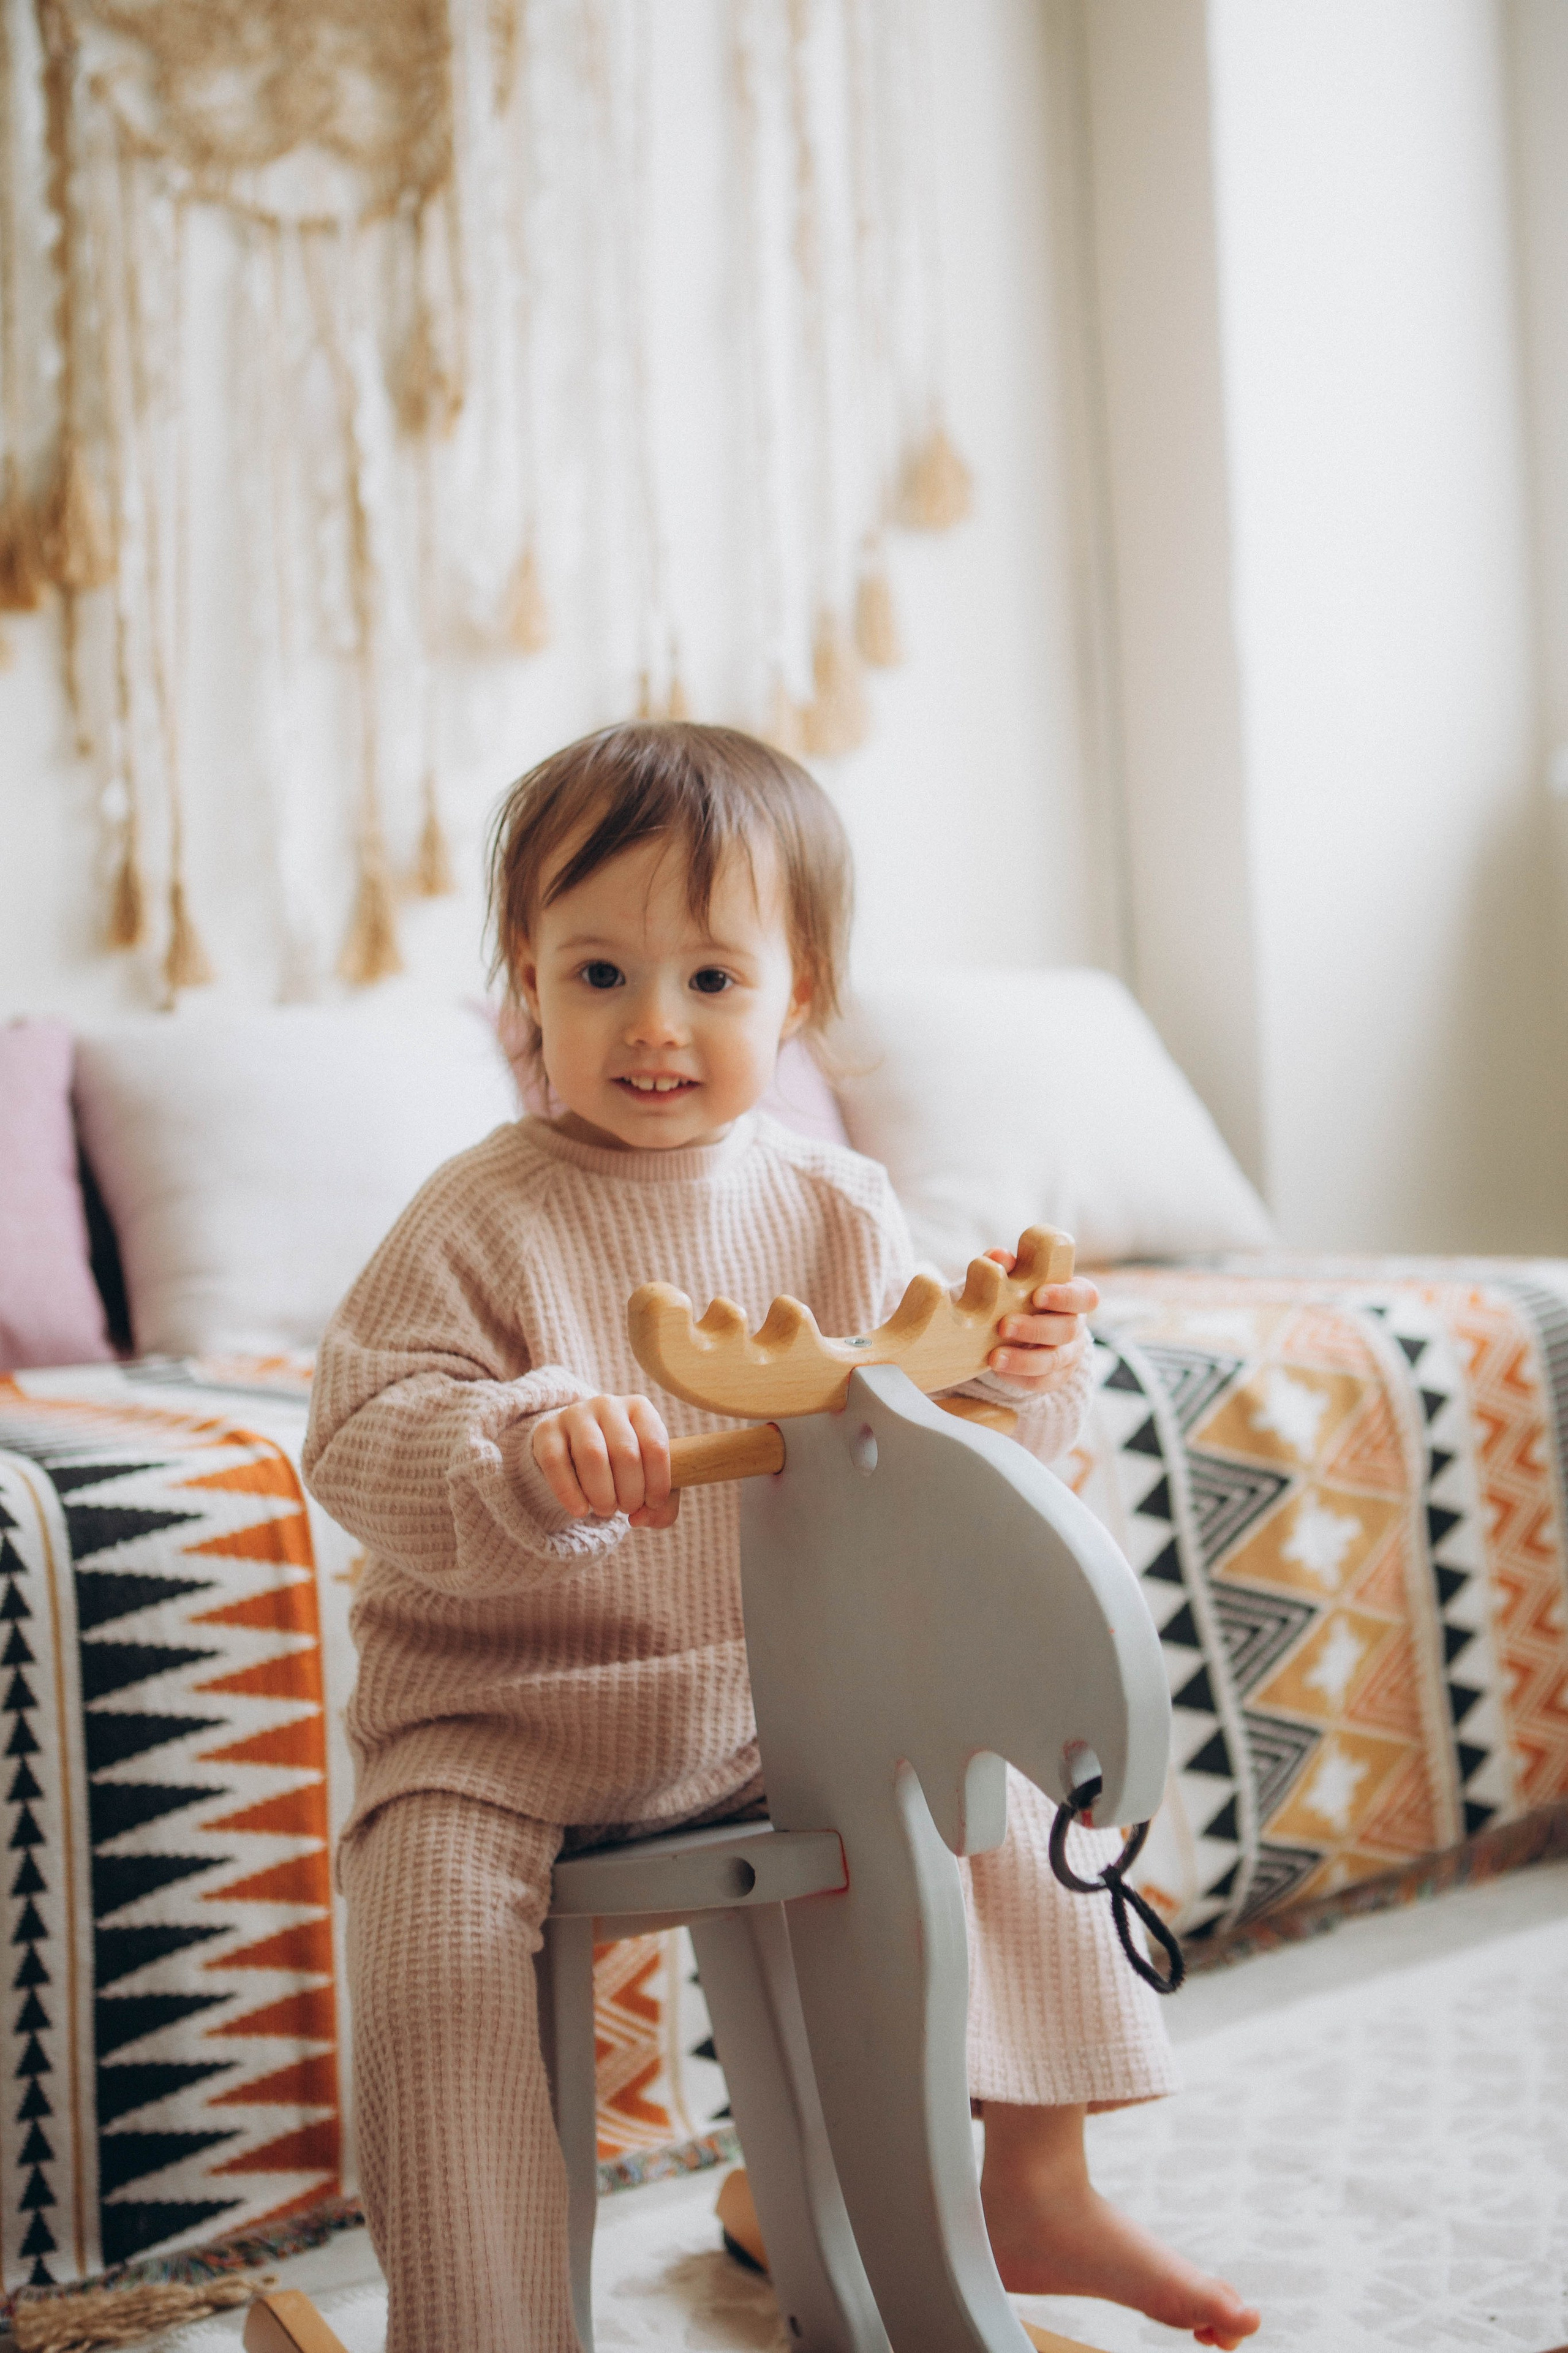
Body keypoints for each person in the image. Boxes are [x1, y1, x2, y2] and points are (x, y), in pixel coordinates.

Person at [303, 722, 1261, 2353]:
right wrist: (523, 1448)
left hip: (768, 1699)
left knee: (1002, 1770)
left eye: (713, 981)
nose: (653, 1026)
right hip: (497, 1730)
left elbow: (920, 1467)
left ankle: (1030, 2176)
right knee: (435, 1957)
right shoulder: (480, 1211)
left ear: (800, 990)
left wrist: (1020, 1389)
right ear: (524, 980)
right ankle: (481, 2324)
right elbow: (357, 1435)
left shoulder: (838, 1207)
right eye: (599, 971)